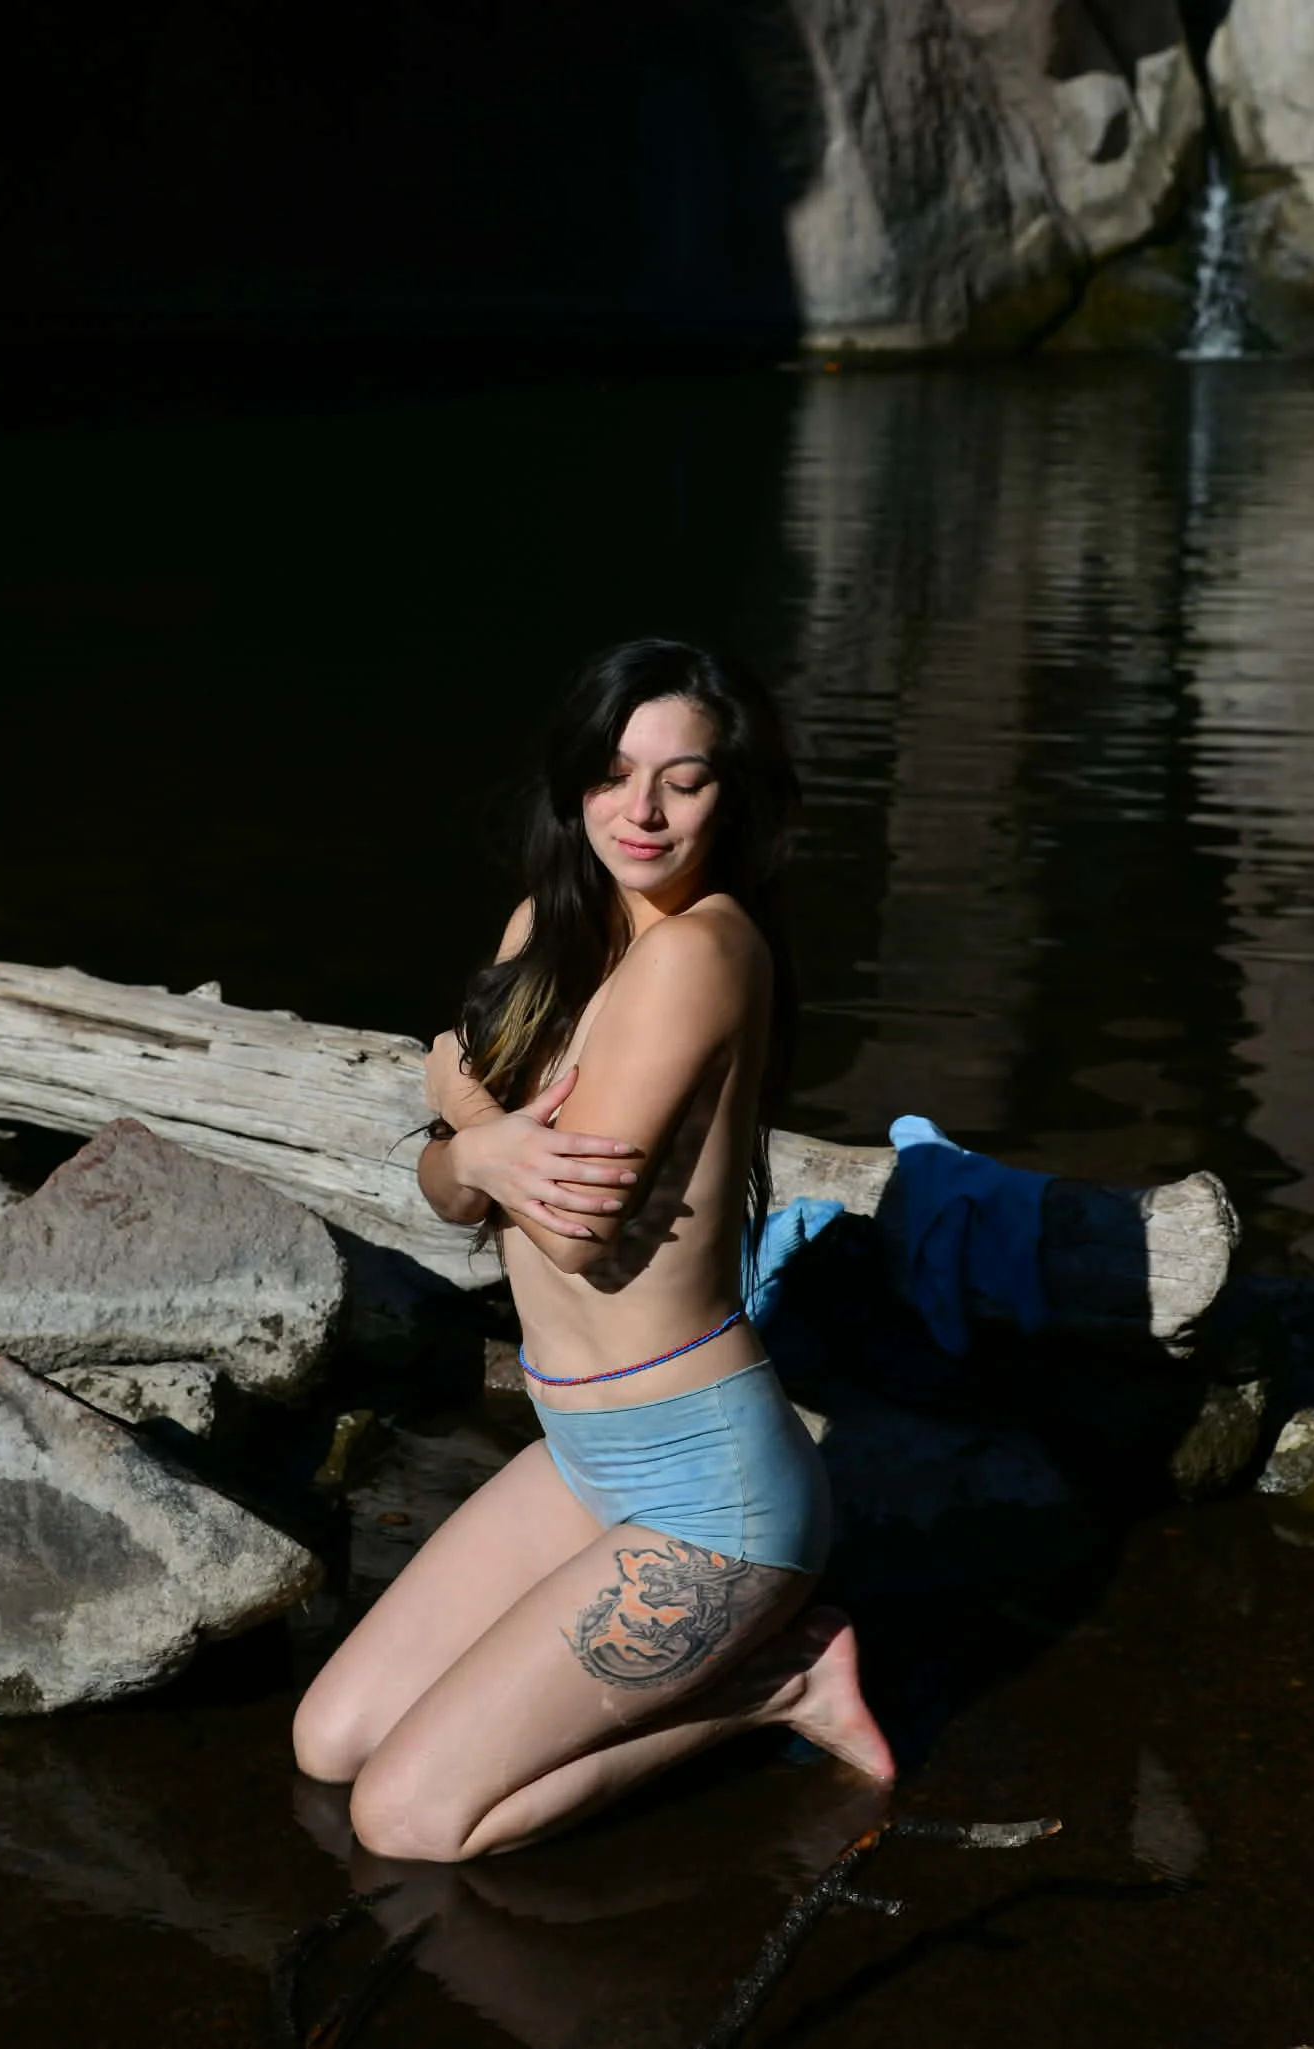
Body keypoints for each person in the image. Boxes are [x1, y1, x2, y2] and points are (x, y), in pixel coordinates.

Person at [292, 640, 894, 1862]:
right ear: (575, 780)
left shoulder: (703, 952)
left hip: (710, 1502)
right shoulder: (551, 926)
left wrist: (467, 1112)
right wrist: (478, 1145)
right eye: (616, 774)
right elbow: (453, 1192)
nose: (644, 812)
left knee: (408, 1821)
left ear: (732, 797)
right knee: (330, 1741)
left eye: (685, 780)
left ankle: (778, 1683)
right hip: (579, 1455)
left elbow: (571, 1225)